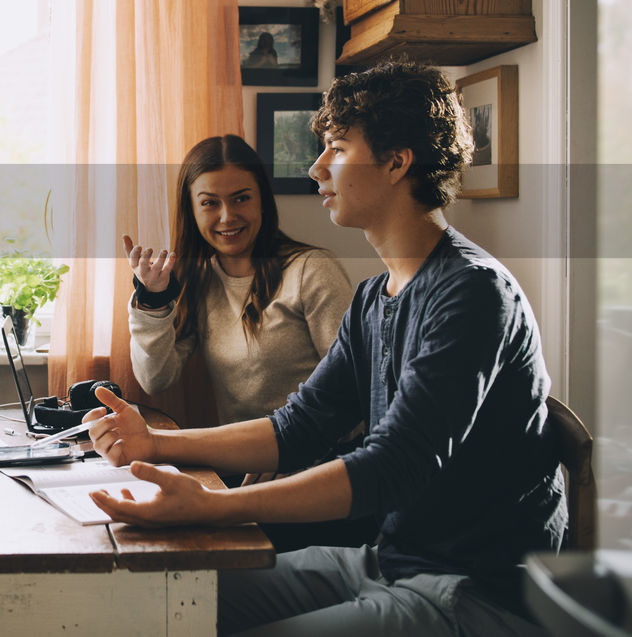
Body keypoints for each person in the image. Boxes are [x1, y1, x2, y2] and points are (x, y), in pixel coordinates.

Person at [86, 61, 565, 635]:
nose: (316, 168)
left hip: (474, 592)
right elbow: (297, 427)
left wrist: (217, 506)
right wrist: (155, 442)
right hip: (387, 561)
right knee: (146, 608)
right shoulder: (373, 298)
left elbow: (392, 465)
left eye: (336, 147)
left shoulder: (473, 292)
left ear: (396, 162)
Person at [124, 134, 369, 551]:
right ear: (192, 208)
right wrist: (152, 301)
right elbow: (155, 379)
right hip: (244, 467)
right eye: (210, 203)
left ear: (262, 202)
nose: (226, 217)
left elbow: (360, 394)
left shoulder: (311, 270)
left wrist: (292, 452)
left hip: (316, 473)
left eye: (241, 199)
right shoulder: (198, 278)